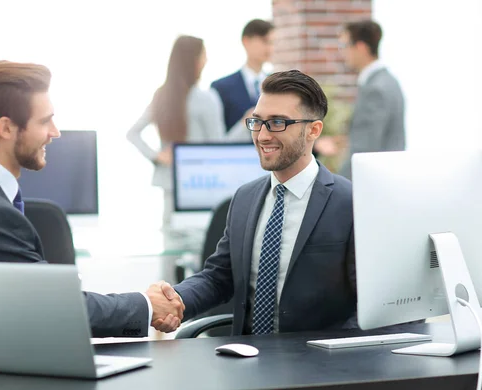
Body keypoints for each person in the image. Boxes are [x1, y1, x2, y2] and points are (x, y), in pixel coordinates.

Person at [0, 61, 184, 353]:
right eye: (45, 121)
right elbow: (56, 309)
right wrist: (146, 305)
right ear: (6, 127)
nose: (55, 132)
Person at [152, 70, 357, 335]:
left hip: (316, 365)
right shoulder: (244, 199)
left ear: (313, 130)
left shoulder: (349, 203)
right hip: (246, 359)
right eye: (257, 122)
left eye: (277, 123)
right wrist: (175, 299)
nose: (262, 136)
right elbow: (218, 278)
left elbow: (370, 305)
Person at [126, 35, 245, 225]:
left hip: (170, 184)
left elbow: (132, 134)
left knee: (172, 245)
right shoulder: (207, 99)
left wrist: (157, 156)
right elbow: (219, 146)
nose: (206, 60)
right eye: (203, 55)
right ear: (194, 60)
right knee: (200, 246)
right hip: (200, 184)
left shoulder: (162, 95)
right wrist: (244, 123)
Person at [336, 20, 405, 179]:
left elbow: (363, 150)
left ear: (360, 47)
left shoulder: (375, 89)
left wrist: (333, 187)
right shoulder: (389, 81)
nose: (342, 53)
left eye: (344, 46)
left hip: (375, 183)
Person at [211, 19, 274, 135]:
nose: (270, 48)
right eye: (265, 41)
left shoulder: (277, 85)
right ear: (246, 41)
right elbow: (218, 136)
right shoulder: (221, 87)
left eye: (272, 42)